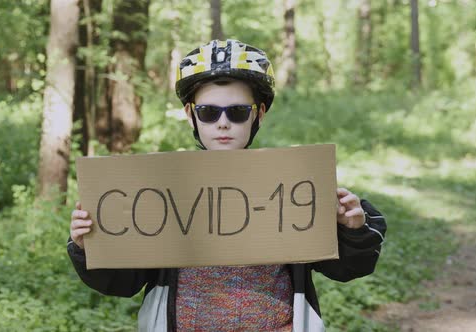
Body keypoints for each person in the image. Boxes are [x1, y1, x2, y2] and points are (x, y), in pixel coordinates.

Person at [67, 39, 387, 331]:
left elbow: (349, 268)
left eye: (236, 112)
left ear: (258, 114)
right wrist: (89, 247)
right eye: (208, 112)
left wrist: (351, 230)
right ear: (191, 116)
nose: (223, 123)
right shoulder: (160, 190)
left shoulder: (292, 186)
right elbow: (122, 283)